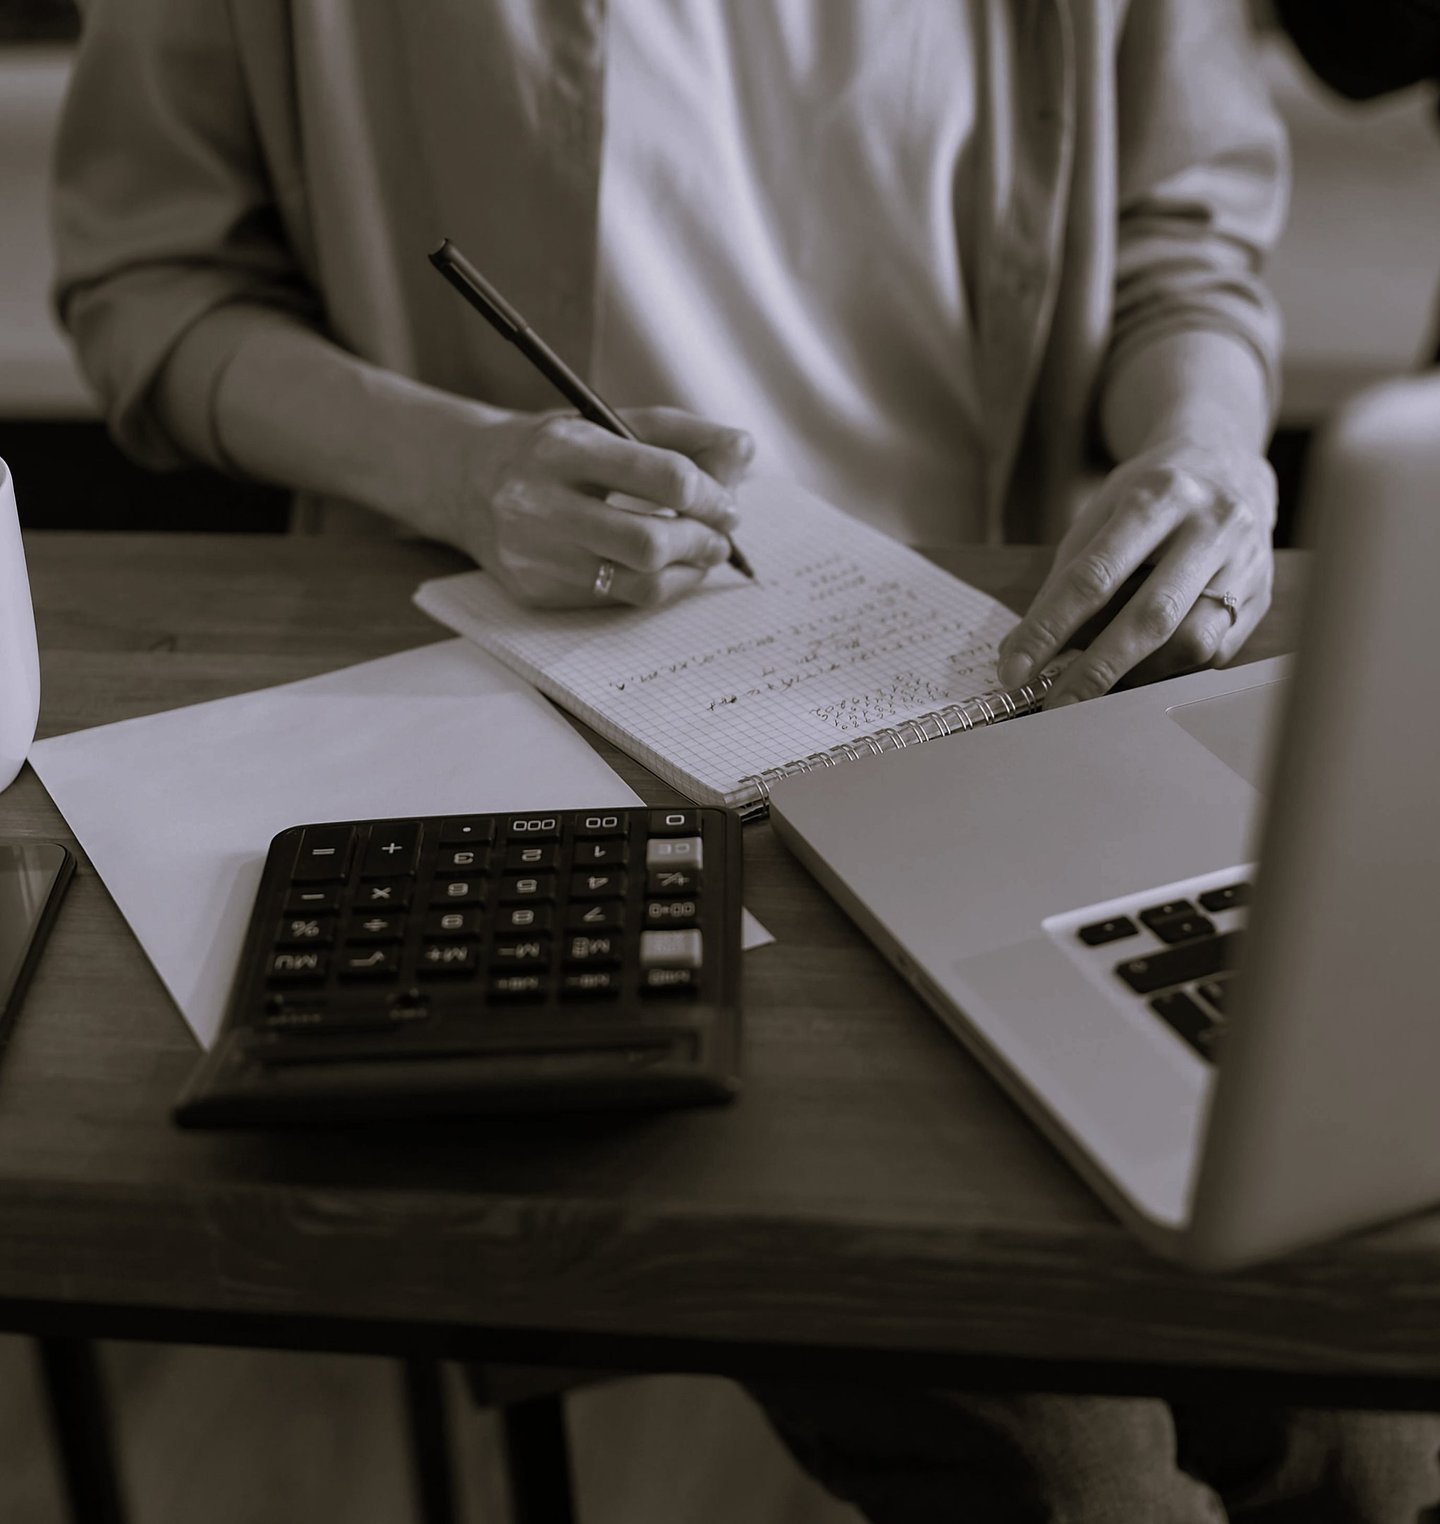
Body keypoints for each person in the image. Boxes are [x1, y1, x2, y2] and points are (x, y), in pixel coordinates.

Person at [50, 1, 1440, 1517]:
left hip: (999, 683)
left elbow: (1181, 257)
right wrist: (460, 466)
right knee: (1076, 1466)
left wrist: (1205, 448)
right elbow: (149, 283)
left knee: (1369, 1433)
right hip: (537, 713)